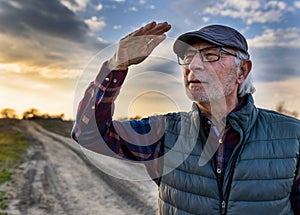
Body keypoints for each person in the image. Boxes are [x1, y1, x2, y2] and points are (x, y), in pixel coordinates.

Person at [72, 21, 300, 215]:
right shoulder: (165, 131)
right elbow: (89, 134)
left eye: (211, 55)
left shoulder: (292, 135)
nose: (193, 65)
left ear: (242, 71)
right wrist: (116, 65)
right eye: (188, 57)